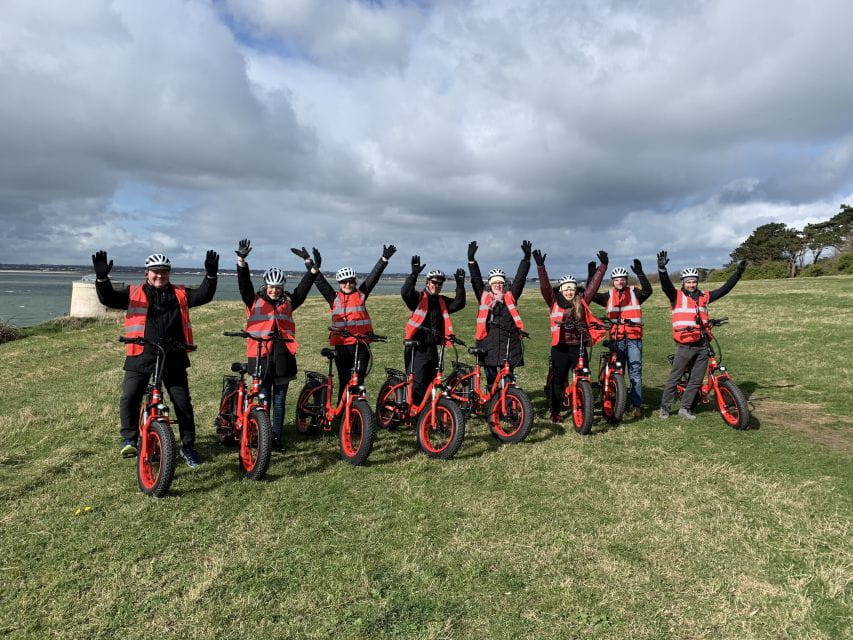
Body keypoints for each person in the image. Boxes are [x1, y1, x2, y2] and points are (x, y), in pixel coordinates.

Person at [92, 249, 218, 467]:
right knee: (130, 396)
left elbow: (203, 295)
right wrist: (102, 279)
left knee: (182, 402)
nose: (160, 275)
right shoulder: (134, 292)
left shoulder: (179, 293)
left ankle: (188, 446)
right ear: (146, 273)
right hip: (141, 353)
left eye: (164, 271)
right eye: (155, 271)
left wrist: (211, 275)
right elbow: (109, 298)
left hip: (173, 355)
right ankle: (130, 439)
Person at [236, 240, 318, 451]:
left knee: (279, 401)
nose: (274, 290)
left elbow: (303, 288)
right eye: (271, 287)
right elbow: (244, 284)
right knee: (263, 399)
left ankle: (277, 438)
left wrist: (311, 267)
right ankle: (262, 437)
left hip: (283, 358)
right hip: (260, 356)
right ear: (266, 286)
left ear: (282, 288)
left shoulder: (288, 302)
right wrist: (241, 261)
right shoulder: (253, 300)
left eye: (278, 287)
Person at [657, 251, 747, 419]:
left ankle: (685, 408)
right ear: (683, 283)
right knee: (675, 378)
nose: (691, 284)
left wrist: (738, 273)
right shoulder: (676, 296)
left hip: (702, 343)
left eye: (694, 281)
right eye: (688, 282)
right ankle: (665, 408)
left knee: (696, 379)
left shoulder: (704, 296)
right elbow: (665, 286)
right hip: (684, 344)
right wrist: (662, 269)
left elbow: (724, 289)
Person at [312, 244, 396, 396]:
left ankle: (357, 409)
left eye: (351, 281)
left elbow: (373, 278)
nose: (348, 284)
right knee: (344, 381)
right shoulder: (334, 298)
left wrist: (384, 259)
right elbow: (320, 282)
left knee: (358, 382)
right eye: (344, 282)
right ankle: (342, 409)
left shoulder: (361, 295)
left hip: (361, 345)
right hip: (342, 347)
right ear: (339, 284)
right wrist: (311, 265)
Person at [534, 249, 607, 423]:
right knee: (558, 381)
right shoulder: (553, 301)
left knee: (584, 376)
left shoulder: (582, 301)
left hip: (579, 346)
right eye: (566, 289)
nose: (569, 292)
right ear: (561, 290)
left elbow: (593, 287)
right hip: (560, 347)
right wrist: (541, 267)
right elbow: (545, 287)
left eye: (572, 289)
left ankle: (583, 404)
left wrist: (603, 267)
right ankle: (555, 411)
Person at [589, 259, 653, 418]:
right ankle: (618, 401)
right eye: (617, 279)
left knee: (635, 371)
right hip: (617, 339)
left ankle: (636, 405)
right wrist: (592, 275)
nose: (620, 282)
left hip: (633, 338)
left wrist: (640, 273)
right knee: (617, 371)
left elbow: (648, 290)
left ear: (626, 280)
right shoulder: (608, 296)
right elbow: (590, 294)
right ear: (613, 281)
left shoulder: (635, 293)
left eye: (622, 279)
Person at [401, 256, 466, 405]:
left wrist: (460, 285)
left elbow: (459, 304)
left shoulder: (441, 301)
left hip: (432, 348)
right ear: (427, 283)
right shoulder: (418, 298)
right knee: (418, 383)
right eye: (434, 282)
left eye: (440, 284)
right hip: (416, 347)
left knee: (432, 380)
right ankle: (414, 411)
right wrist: (413, 274)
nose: (437, 286)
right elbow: (405, 292)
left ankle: (427, 410)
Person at [467, 240, 531, 386]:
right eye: (495, 282)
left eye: (500, 282)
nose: (498, 285)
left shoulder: (510, 296)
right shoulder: (483, 296)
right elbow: (476, 280)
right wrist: (471, 261)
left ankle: (508, 400)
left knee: (508, 380)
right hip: (488, 343)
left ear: (504, 284)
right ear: (490, 284)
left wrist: (526, 260)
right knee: (492, 381)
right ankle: (494, 399)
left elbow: (520, 279)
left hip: (509, 342)